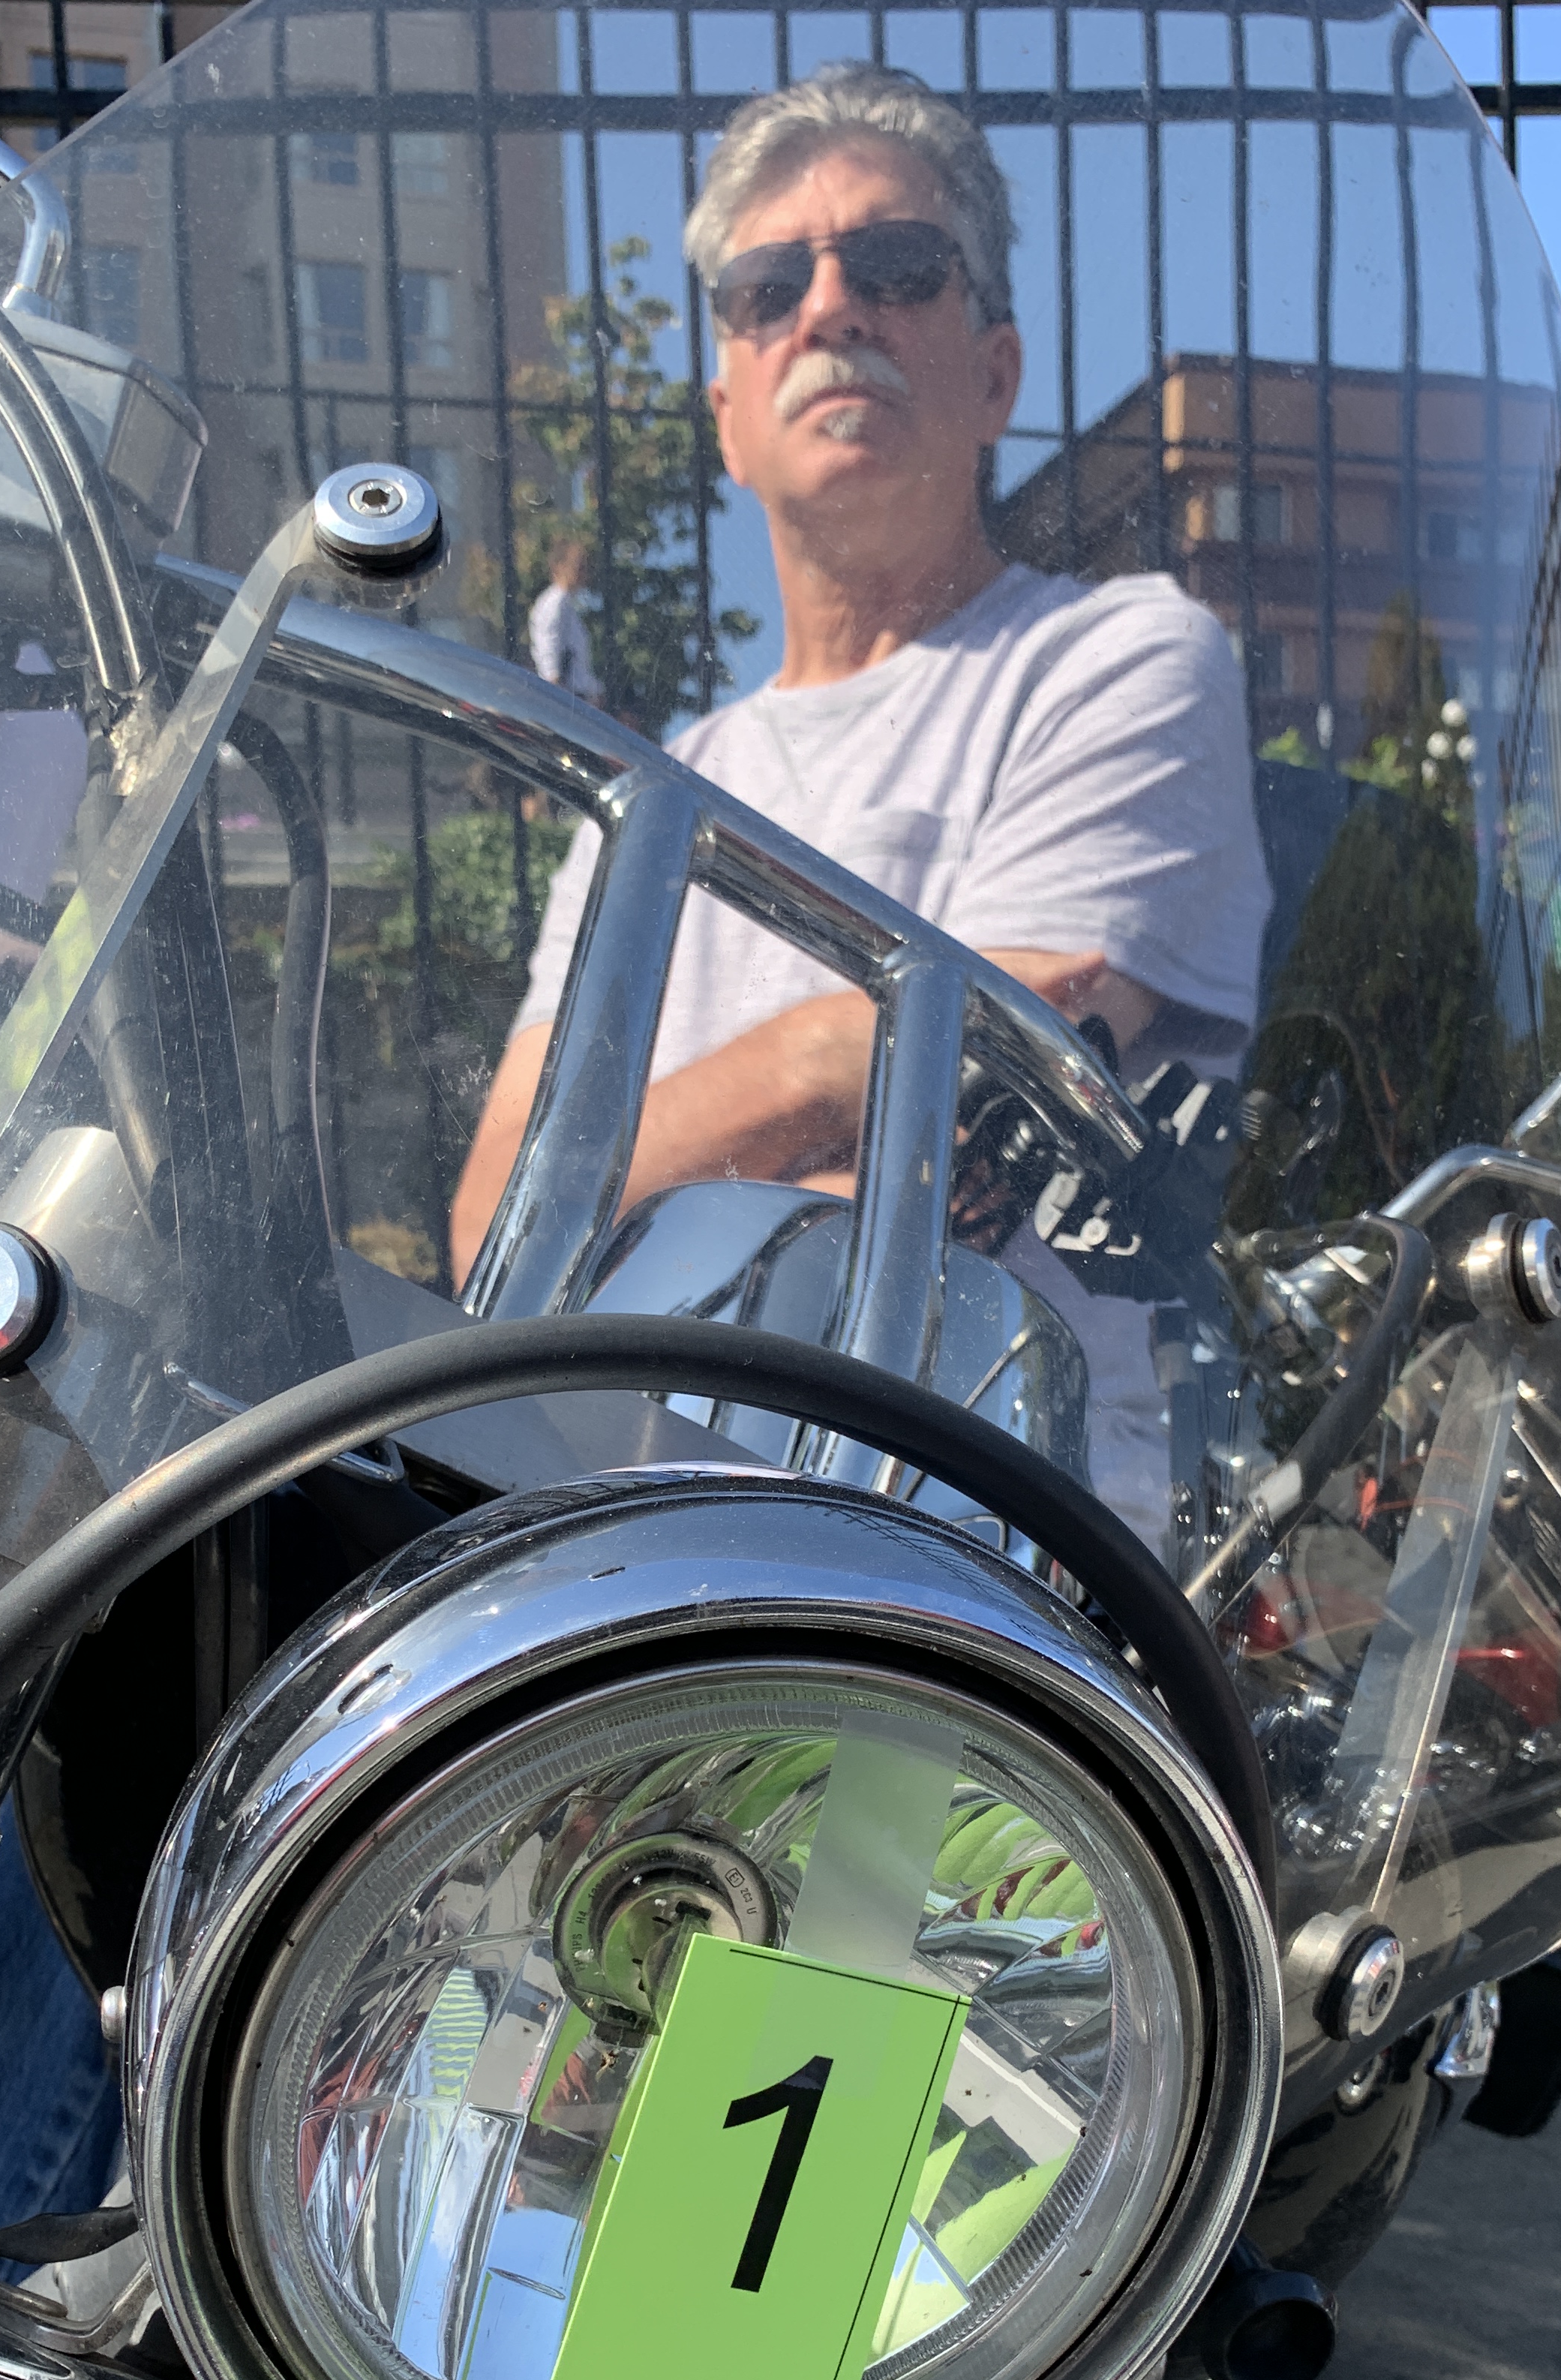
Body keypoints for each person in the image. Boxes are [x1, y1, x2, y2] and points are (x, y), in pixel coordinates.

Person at [450, 62, 1271, 1546]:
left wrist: (639, 1168)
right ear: (725, 416)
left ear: (995, 373)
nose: (829, 309)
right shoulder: (643, 796)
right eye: (768, 288)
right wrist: (839, 1060)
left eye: (895, 266)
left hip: (992, 1523)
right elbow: (493, 1229)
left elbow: (997, 1078)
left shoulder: (1123, 657)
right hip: (629, 1525)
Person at [528, 535, 603, 705]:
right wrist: (556, 695)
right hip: (568, 698)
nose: (584, 573)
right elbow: (548, 646)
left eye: (585, 567)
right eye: (578, 566)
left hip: (577, 697)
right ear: (559, 567)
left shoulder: (568, 605)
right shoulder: (555, 602)